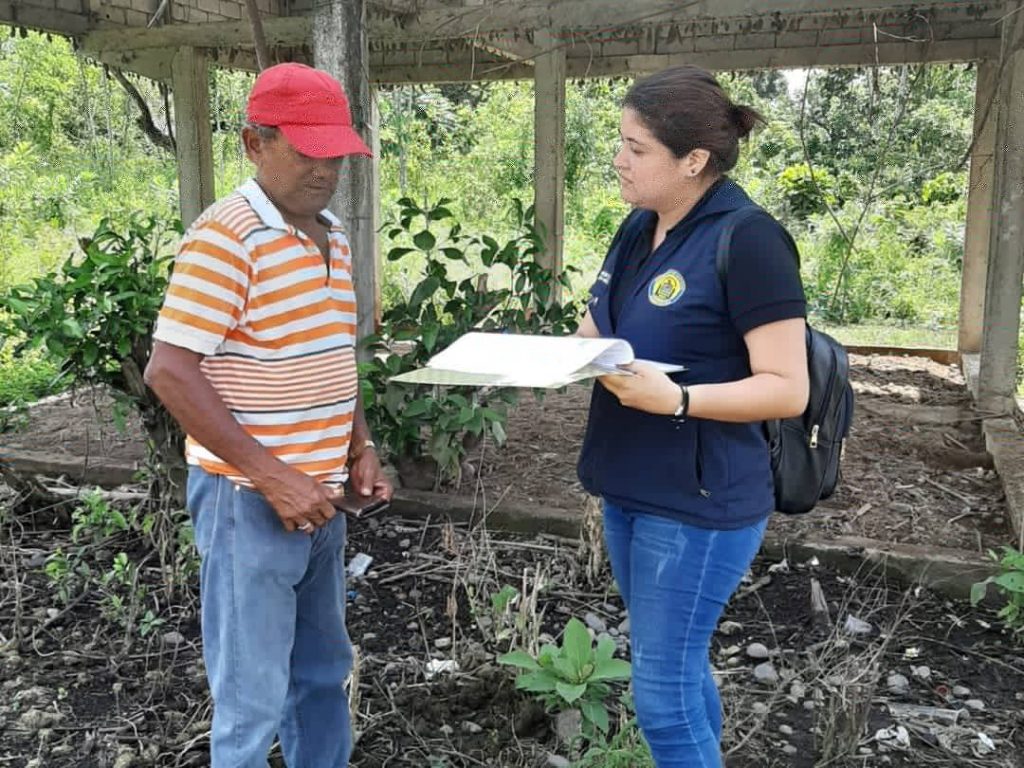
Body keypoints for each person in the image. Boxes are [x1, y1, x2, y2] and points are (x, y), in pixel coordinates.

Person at [144, 62, 392, 768]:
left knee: (321, 673)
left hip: (320, 497)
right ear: (255, 143)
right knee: (250, 699)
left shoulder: (333, 234)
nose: (325, 169)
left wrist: (359, 447)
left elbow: (331, 355)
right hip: (246, 499)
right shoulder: (225, 237)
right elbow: (170, 369)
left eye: (335, 152)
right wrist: (272, 475)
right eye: (307, 150)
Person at [575, 65, 809, 767]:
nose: (618, 159)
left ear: (694, 160)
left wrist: (679, 399)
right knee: (675, 668)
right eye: (620, 142)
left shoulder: (750, 240)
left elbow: (787, 388)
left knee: (662, 694)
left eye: (636, 148)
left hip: (698, 502)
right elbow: (597, 328)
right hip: (629, 485)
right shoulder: (639, 227)